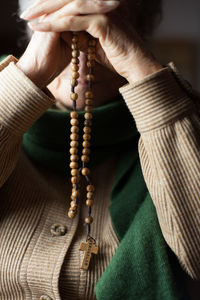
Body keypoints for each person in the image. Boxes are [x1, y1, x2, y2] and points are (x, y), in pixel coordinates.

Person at [0, 0, 199, 299]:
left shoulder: (186, 121)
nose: (80, 43)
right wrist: (29, 75)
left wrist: (142, 71)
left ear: (137, 29)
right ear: (31, 23)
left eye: (99, 15)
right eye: (59, 16)